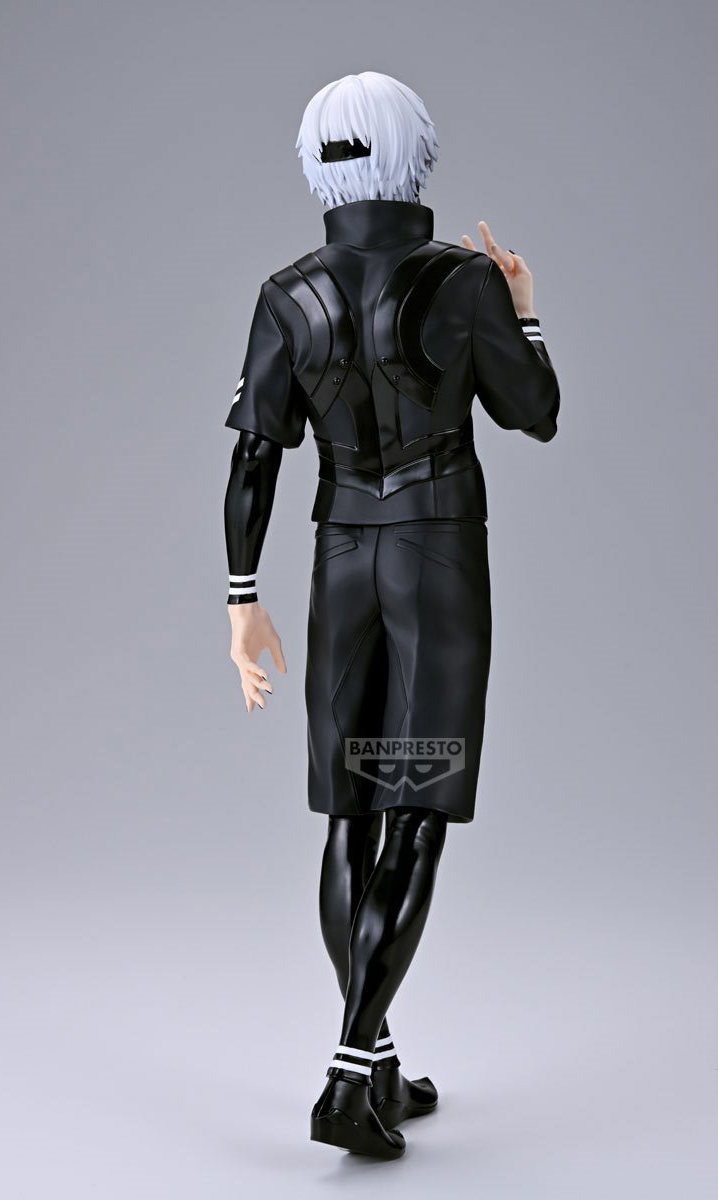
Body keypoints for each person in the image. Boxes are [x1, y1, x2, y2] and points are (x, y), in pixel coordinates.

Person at [222, 70, 561, 1159]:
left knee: (349, 813)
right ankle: (346, 1070)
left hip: (340, 556)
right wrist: (524, 308)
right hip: (437, 551)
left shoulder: (287, 291)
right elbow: (535, 413)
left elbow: (255, 454)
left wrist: (241, 600)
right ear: (416, 153)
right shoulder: (462, 279)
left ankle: (372, 1068)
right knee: (413, 806)